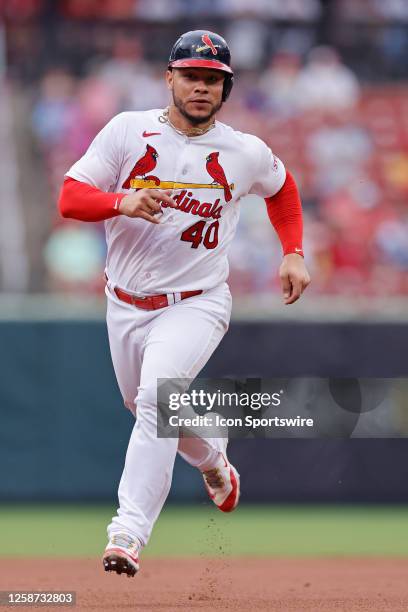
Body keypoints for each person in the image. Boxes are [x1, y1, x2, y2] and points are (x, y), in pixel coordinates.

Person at [58, 29, 310, 577]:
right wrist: (122, 200)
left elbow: (283, 187)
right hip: (124, 303)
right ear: (169, 78)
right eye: (192, 75)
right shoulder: (129, 131)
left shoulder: (243, 151)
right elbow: (70, 198)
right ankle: (214, 457)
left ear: (226, 88)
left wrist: (292, 252)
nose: (201, 86)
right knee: (148, 406)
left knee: (154, 400)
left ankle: (126, 535)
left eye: (213, 79)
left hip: (197, 301)